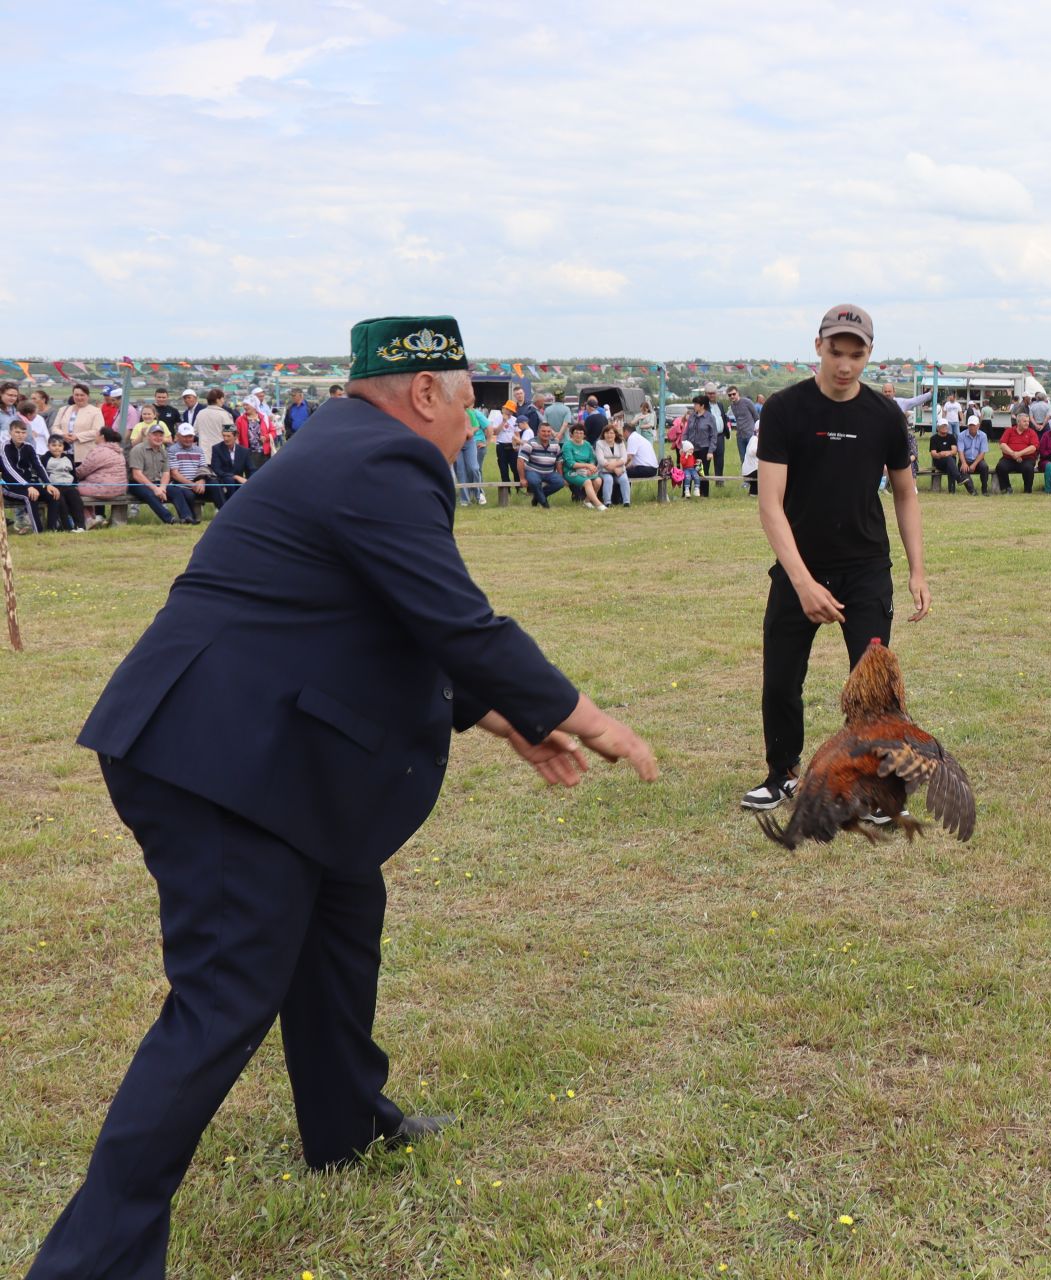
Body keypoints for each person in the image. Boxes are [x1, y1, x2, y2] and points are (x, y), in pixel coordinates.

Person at [22, 315, 658, 1280]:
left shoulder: (342, 447)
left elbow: (392, 614)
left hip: (249, 745)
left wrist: (500, 717)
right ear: (425, 394)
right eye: (465, 405)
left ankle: (346, 1122)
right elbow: (455, 615)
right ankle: (90, 1263)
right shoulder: (382, 464)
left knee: (342, 901)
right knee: (222, 999)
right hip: (218, 761)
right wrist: (591, 718)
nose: (470, 427)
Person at [743, 303, 928, 813]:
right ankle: (782, 772)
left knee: (872, 685)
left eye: (856, 353)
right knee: (781, 678)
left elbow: (906, 494)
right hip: (799, 569)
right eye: (835, 351)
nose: (844, 364)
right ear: (818, 346)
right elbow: (769, 504)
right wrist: (801, 582)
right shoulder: (784, 409)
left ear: (869, 354)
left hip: (866, 568)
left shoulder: (884, 414)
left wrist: (916, 569)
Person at [128, 422, 192, 525]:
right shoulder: (138, 449)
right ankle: (170, 519)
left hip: (157, 483)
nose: (158, 438)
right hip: (137, 484)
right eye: (155, 435)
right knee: (150, 494)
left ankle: (187, 518)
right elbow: (137, 475)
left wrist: (162, 488)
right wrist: (155, 489)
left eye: (161, 435)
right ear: (148, 436)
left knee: (177, 491)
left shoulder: (164, 451)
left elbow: (166, 473)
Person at [4, 417, 51, 533]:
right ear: (11, 433)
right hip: (10, 486)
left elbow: (38, 466)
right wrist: (27, 486)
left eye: (23, 432)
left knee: (52, 495)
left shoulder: (29, 447)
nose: (20, 435)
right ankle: (38, 531)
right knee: (30, 496)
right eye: (17, 432)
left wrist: (48, 484)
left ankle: (51, 529)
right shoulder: (4, 447)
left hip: (29, 484)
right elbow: (11, 470)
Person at [76, 424, 128, 528]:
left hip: (105, 489)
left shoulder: (98, 451)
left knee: (73, 490)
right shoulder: (118, 451)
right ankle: (92, 518)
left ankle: (88, 518)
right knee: (85, 487)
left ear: (102, 437)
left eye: (97, 434)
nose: (95, 436)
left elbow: (82, 471)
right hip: (120, 488)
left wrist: (74, 473)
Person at [166, 424, 211, 521]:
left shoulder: (199, 450)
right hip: (181, 485)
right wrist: (192, 485)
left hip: (197, 483)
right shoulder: (172, 450)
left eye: (190, 436)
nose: (188, 439)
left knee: (215, 486)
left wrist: (202, 481)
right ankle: (190, 518)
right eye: (185, 436)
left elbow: (203, 467)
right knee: (189, 495)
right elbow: (174, 474)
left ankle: (224, 514)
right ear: (178, 436)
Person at [517, 423, 567, 508]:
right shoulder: (531, 443)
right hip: (533, 471)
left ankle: (537, 497)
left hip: (549, 472)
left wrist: (561, 476)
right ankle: (545, 504)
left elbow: (559, 461)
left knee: (560, 482)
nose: (546, 434)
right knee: (535, 482)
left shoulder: (555, 444)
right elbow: (520, 459)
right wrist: (522, 478)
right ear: (538, 432)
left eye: (548, 431)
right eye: (543, 431)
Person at [560, 423, 607, 510]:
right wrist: (587, 465)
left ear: (584, 435)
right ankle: (598, 504)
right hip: (571, 471)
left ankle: (587, 501)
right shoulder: (567, 445)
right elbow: (571, 463)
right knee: (587, 481)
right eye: (576, 433)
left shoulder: (587, 444)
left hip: (586, 470)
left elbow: (592, 459)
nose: (578, 435)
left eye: (581, 433)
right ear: (572, 434)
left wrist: (591, 468)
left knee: (598, 481)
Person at [207, 422, 252, 508]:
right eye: (224, 436)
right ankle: (231, 508)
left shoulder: (244, 451)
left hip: (238, 482)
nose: (225, 439)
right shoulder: (216, 448)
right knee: (229, 480)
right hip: (223, 480)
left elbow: (251, 468)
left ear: (235, 436)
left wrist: (251, 480)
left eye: (228, 436)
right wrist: (235, 476)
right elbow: (216, 468)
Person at [994, 411, 1039, 494]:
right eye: (1024, 421)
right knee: (1000, 467)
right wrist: (1013, 454)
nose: (1027, 423)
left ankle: (1027, 490)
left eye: (1028, 421)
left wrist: (1019, 453)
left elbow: (1033, 448)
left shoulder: (1031, 432)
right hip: (1009, 458)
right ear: (1018, 422)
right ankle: (1007, 488)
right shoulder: (1009, 431)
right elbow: (1002, 445)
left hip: (1027, 459)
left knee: (1028, 468)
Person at [684, 392, 720, 496]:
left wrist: (711, 451)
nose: (694, 406)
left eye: (696, 404)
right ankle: (686, 493)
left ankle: (704, 494)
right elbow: (686, 432)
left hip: (704, 448)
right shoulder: (692, 416)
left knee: (702, 472)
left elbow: (714, 435)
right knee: (688, 471)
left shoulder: (710, 417)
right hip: (690, 449)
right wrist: (683, 445)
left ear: (702, 406)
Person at [53, 384, 106, 451]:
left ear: (88, 396)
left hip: (85, 452)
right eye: (76, 395)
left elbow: (98, 431)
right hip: (64, 452)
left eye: (82, 395)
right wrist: (63, 435)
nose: (79, 397)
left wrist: (77, 436)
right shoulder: (63, 410)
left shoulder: (96, 411)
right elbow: (55, 427)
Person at [596, 421, 631, 507]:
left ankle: (626, 502)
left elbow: (624, 458)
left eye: (611, 433)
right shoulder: (599, 443)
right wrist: (614, 469)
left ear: (615, 434)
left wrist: (614, 466)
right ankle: (607, 502)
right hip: (604, 470)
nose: (609, 435)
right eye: (607, 433)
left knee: (624, 480)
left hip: (620, 470)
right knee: (608, 479)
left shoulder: (620, 443)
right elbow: (601, 460)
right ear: (603, 434)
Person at [955, 415, 991, 494]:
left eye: (973, 425)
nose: (971, 427)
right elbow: (960, 451)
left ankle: (984, 490)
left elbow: (982, 453)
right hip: (965, 459)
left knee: (984, 467)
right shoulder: (961, 435)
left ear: (978, 425)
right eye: (970, 425)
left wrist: (974, 464)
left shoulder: (983, 436)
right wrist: (964, 463)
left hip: (977, 460)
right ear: (967, 425)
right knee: (963, 469)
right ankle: (972, 491)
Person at [728, 385, 758, 473]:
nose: (732, 396)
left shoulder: (747, 402)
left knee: (752, 458)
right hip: (740, 436)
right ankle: (746, 480)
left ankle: (755, 478)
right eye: (730, 395)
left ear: (738, 393)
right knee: (743, 458)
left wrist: (757, 432)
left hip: (750, 434)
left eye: (733, 394)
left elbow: (756, 416)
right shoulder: (732, 406)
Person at [927, 420, 963, 493]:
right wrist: (940, 454)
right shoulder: (933, 438)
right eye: (943, 426)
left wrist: (946, 453)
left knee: (950, 463)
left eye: (946, 426)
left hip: (951, 462)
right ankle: (958, 478)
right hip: (939, 462)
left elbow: (954, 451)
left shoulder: (951, 437)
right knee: (950, 460)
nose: (945, 427)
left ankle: (952, 491)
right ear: (938, 428)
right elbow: (933, 454)